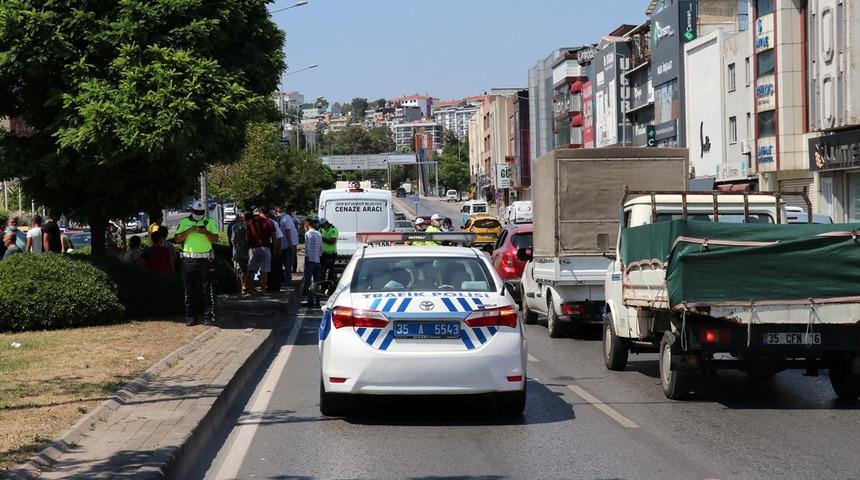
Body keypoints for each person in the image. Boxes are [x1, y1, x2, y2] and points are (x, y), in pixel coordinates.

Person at [174, 200, 219, 326]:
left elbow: (215, 238)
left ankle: (208, 316)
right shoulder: (184, 222)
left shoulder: (208, 222)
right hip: (188, 260)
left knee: (207, 289)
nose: (199, 215)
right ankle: (190, 317)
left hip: (205, 259)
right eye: (197, 212)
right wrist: (189, 230)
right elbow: (177, 239)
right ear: (192, 211)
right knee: (189, 289)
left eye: (201, 213)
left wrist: (205, 232)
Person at [246, 208, 277, 293]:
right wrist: (274, 249)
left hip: (253, 248)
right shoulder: (270, 223)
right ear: (267, 213)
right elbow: (274, 237)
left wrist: (247, 247)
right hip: (265, 248)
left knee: (251, 269)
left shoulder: (251, 222)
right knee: (264, 270)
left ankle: (251, 289)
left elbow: (247, 236)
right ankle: (263, 289)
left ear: (260, 212)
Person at [302, 217, 323, 307]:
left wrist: (306, 258)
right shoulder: (319, 234)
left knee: (308, 282)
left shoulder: (308, 234)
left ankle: (310, 301)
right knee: (317, 282)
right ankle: (317, 301)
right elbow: (322, 249)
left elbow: (307, 248)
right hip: (317, 261)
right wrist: (318, 256)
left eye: (304, 225)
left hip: (310, 260)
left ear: (307, 225)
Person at [232, 211, 251, 294]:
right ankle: (245, 286)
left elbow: (232, 239)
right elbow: (248, 239)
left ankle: (241, 287)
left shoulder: (234, 226)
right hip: (246, 251)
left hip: (236, 251)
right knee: (246, 269)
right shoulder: (247, 226)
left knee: (239, 270)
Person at [266, 207, 285, 292]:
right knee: (267, 268)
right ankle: (269, 286)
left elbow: (278, 237)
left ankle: (276, 287)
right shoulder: (264, 223)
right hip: (267, 246)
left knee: (274, 268)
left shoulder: (273, 223)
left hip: (272, 246)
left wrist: (277, 249)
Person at [279, 206, 299, 285]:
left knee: (288, 263)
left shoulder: (287, 218)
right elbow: (287, 230)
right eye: (294, 210)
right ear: (290, 211)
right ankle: (287, 279)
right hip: (288, 245)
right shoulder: (287, 218)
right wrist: (290, 244)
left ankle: (287, 278)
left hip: (288, 244)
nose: (294, 212)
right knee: (289, 263)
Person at [318, 218, 338, 285]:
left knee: (329, 271)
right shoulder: (321, 229)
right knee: (322, 271)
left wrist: (322, 238)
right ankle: (323, 285)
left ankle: (330, 285)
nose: (322, 227)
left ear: (326, 223)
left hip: (330, 254)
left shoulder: (333, 229)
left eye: (323, 225)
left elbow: (333, 241)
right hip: (322, 254)